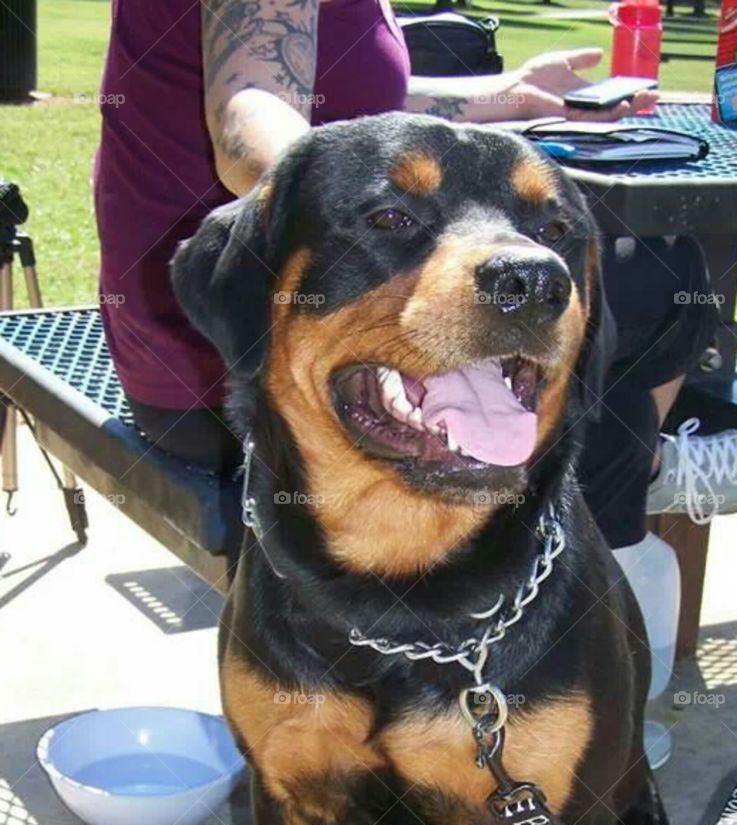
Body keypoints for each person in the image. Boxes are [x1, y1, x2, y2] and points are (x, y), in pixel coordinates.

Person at [95, 0, 737, 542]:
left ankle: (621, 479)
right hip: (222, 351)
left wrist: (509, 93)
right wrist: (352, 197)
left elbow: (353, 97)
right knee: (663, 272)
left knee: (599, 396)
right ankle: (647, 473)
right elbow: (249, 105)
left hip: (180, 346)